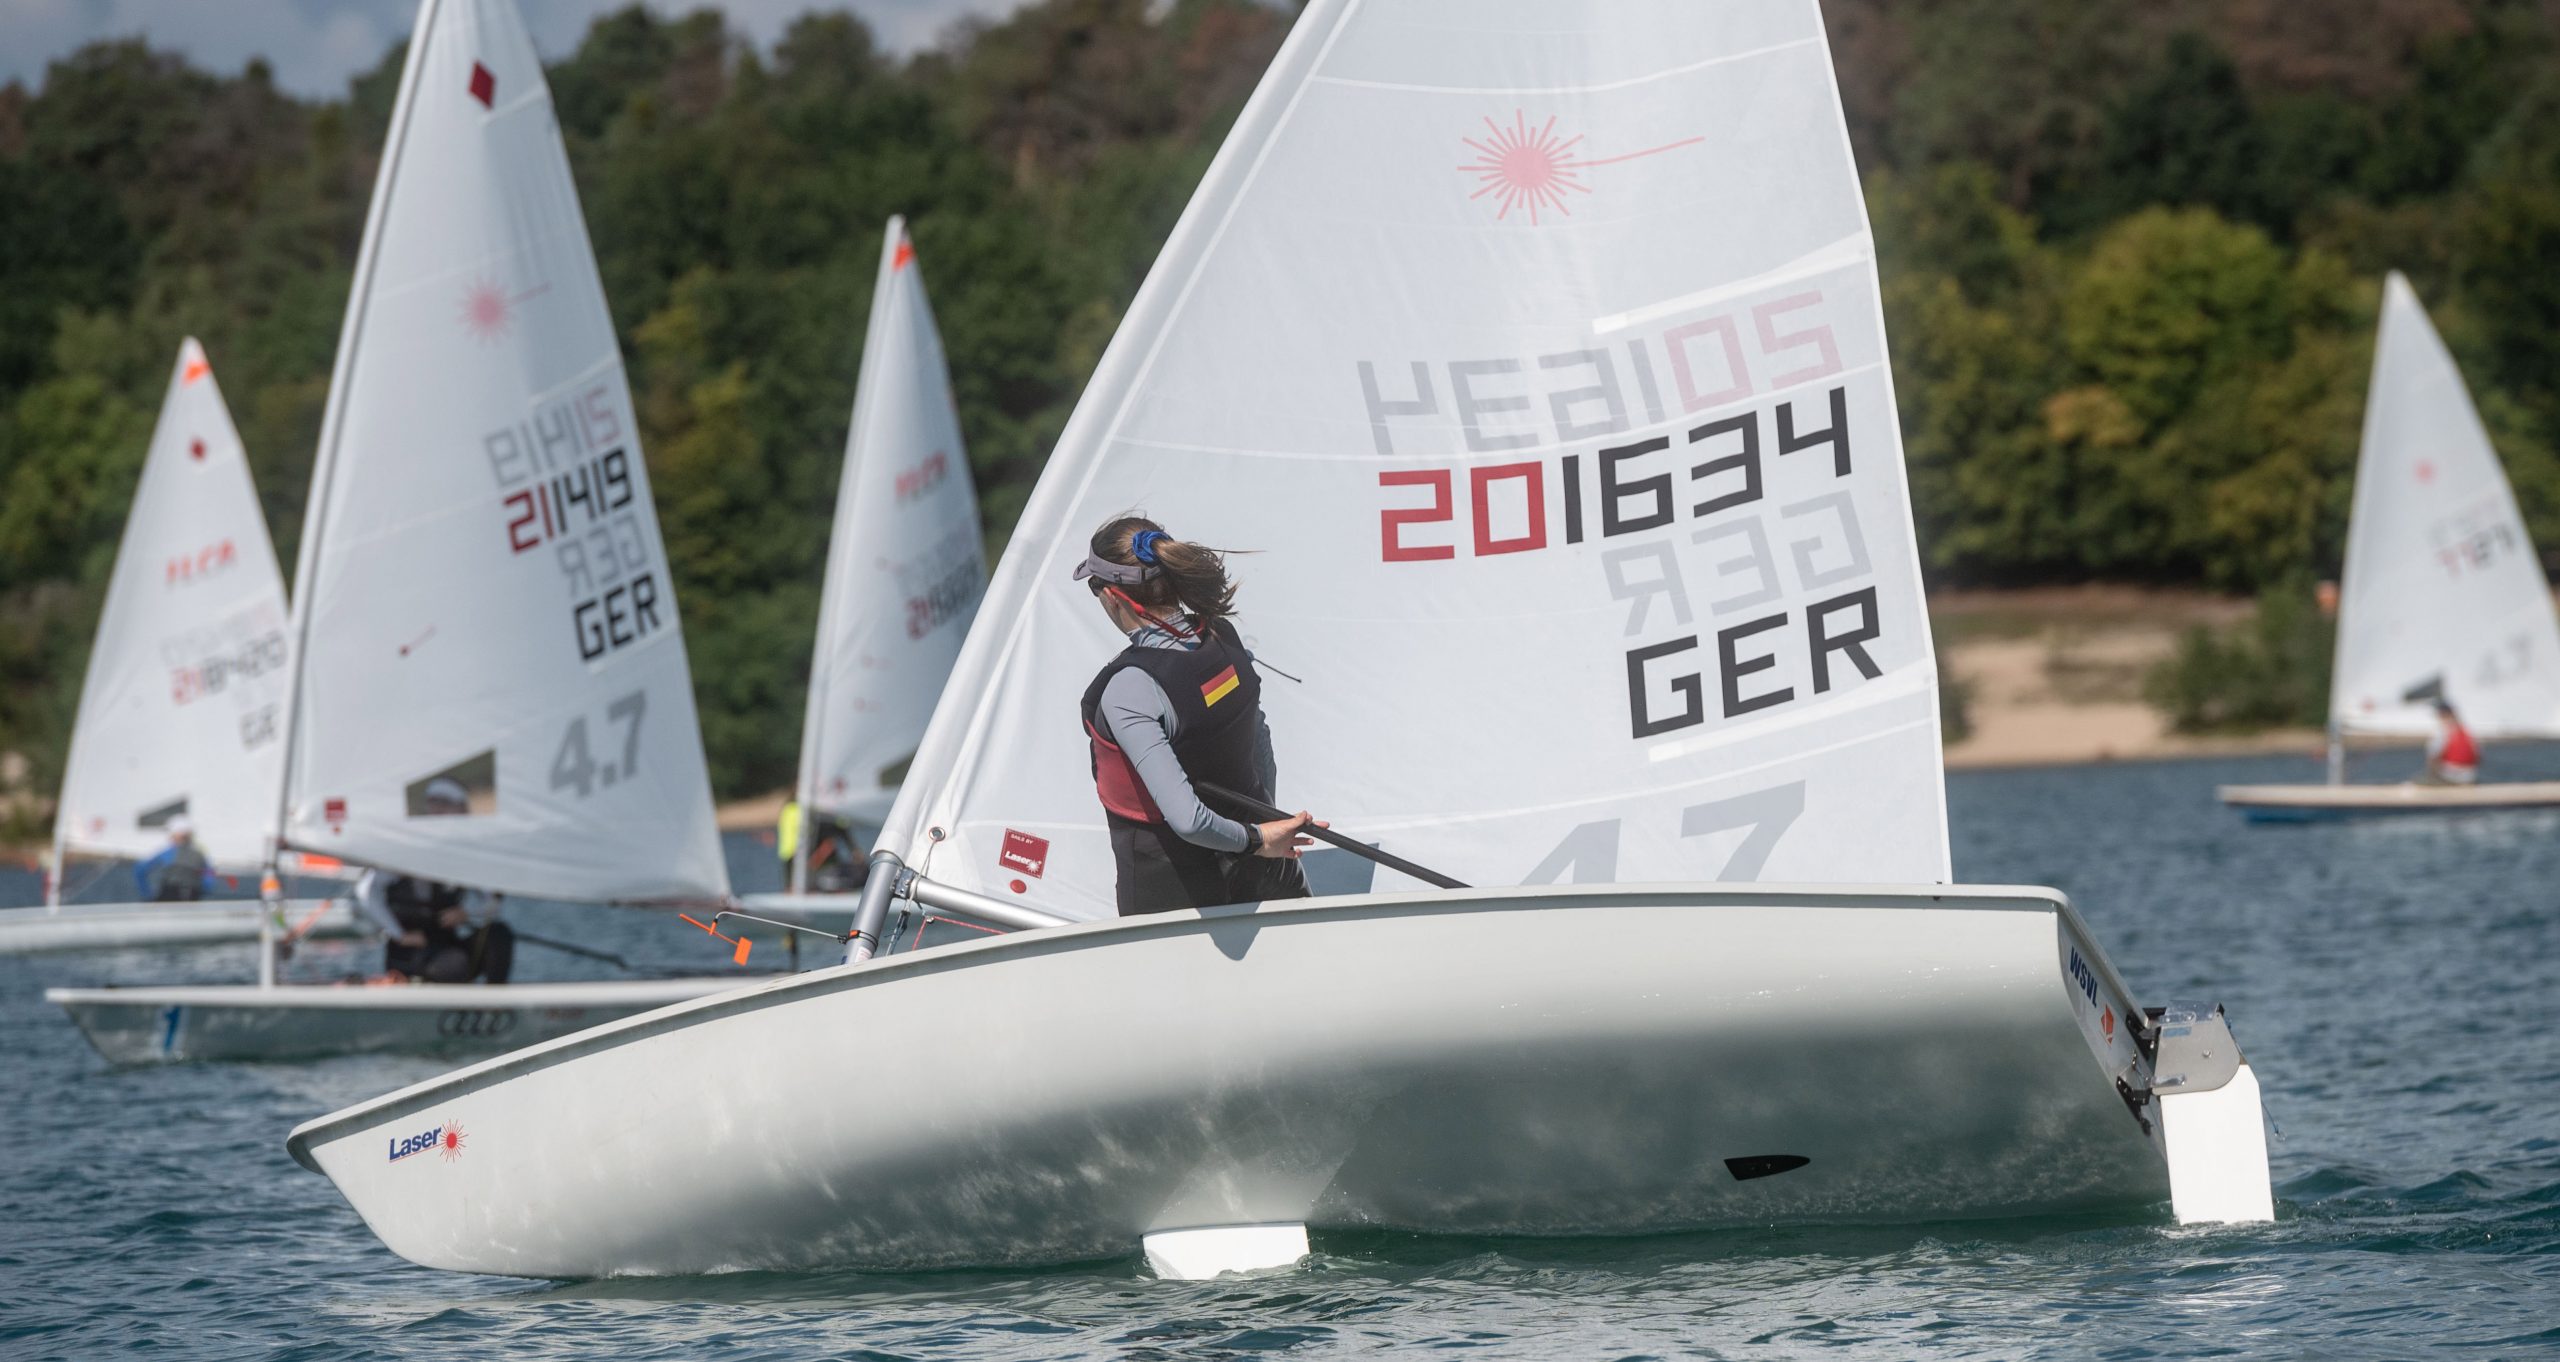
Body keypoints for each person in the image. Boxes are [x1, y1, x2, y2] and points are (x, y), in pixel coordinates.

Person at [1073, 516, 1320, 914]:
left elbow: (1188, 821)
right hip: (1271, 874)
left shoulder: (1129, 689)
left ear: (1113, 596)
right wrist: (1264, 831)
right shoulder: (1223, 636)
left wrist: (1258, 839)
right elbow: (1260, 744)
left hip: (1180, 900)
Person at [351, 779, 513, 982]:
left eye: (445, 803)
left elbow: (492, 902)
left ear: (461, 809)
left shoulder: (465, 855)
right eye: (434, 802)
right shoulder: (406, 850)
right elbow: (366, 891)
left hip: (447, 945)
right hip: (412, 953)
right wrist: (399, 934)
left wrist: (466, 912)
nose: (438, 808)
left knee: (499, 934)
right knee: (455, 965)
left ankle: (495, 998)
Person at [133, 816, 216, 901]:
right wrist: (203, 891)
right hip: (192, 897)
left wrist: (147, 894)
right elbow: (208, 876)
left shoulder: (167, 853)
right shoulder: (199, 854)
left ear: (174, 834)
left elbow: (140, 870)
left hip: (169, 897)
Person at [2421, 697, 2480, 785]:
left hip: (2449, 776)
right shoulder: (2466, 731)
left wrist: (2432, 773)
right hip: (2469, 776)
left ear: (2441, 714)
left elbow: (2433, 756)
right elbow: (2478, 757)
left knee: (2420, 781)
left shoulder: (2442, 731)